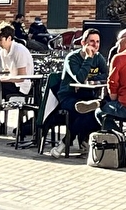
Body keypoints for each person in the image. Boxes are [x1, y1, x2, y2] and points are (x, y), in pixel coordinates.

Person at [49, 29, 107, 158]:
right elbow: (80, 78)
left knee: (94, 112)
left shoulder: (99, 57)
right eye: (92, 41)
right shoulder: (72, 58)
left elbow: (106, 74)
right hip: (68, 96)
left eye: (98, 42)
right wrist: (88, 58)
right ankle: (82, 142)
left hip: (87, 96)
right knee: (85, 111)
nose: (95, 45)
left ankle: (65, 144)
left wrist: (91, 79)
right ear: (83, 43)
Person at [0, 24, 35, 141]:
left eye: (0, 40)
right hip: (11, 82)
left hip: (21, 86)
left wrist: (3, 79)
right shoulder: (3, 52)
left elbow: (22, 77)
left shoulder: (19, 50)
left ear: (9, 38)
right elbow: (7, 71)